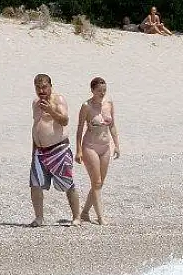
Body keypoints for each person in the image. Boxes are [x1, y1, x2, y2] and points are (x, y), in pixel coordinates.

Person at [30, 74, 81, 227]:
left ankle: (76, 217)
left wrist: (50, 110)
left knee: (67, 184)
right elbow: (36, 126)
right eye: (38, 87)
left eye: (44, 87)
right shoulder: (35, 103)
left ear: (50, 86)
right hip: (40, 151)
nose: (41, 90)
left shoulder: (58, 100)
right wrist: (33, 151)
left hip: (58, 149)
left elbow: (65, 120)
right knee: (35, 184)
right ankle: (39, 218)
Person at [75, 77, 121, 225]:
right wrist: (78, 150)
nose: (102, 93)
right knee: (96, 181)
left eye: (104, 91)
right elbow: (80, 128)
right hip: (90, 146)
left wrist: (117, 145)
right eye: (99, 91)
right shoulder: (86, 106)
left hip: (105, 146)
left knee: (99, 183)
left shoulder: (109, 103)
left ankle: (85, 213)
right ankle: (101, 217)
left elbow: (112, 125)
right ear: (92, 90)